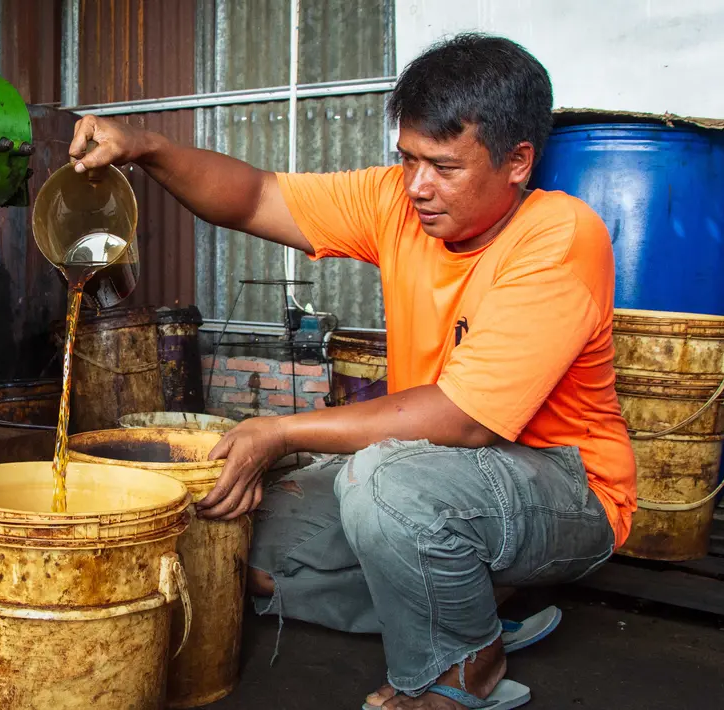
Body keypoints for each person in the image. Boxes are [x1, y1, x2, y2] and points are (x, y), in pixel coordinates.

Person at [66, 33, 636, 710]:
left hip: (567, 490)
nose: (418, 186)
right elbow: (251, 197)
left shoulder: (559, 236)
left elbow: (464, 419)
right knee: (237, 528)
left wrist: (279, 430)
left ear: (517, 161)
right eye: (407, 159)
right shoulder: (396, 202)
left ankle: (461, 666)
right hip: (436, 467)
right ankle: (474, 604)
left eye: (443, 167)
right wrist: (146, 147)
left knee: (385, 484)